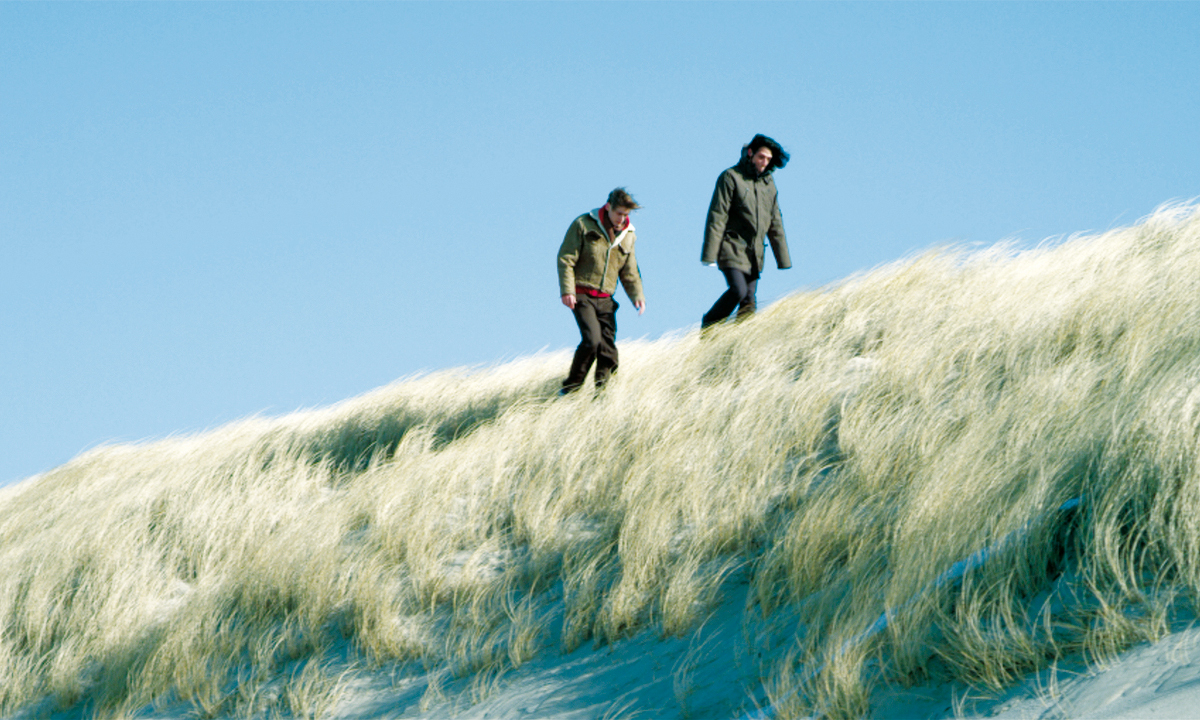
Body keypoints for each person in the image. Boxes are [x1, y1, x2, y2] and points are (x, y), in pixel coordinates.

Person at [556, 188, 646, 394]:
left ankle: (602, 394)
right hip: (581, 294)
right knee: (592, 341)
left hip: (606, 299)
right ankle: (570, 389)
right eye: (619, 213)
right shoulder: (583, 224)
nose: (622, 218)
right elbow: (566, 258)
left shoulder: (628, 235)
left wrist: (637, 296)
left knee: (608, 351)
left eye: (626, 215)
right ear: (608, 207)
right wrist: (567, 290)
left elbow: (629, 270)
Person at [700, 134, 792, 330]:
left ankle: (741, 342)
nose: (764, 163)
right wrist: (709, 254)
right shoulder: (731, 177)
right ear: (750, 153)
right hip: (730, 247)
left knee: (749, 301)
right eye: (761, 157)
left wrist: (783, 259)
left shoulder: (769, 185)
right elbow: (717, 216)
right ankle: (709, 324)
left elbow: (775, 222)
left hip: (754, 253)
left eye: (768, 159)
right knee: (738, 291)